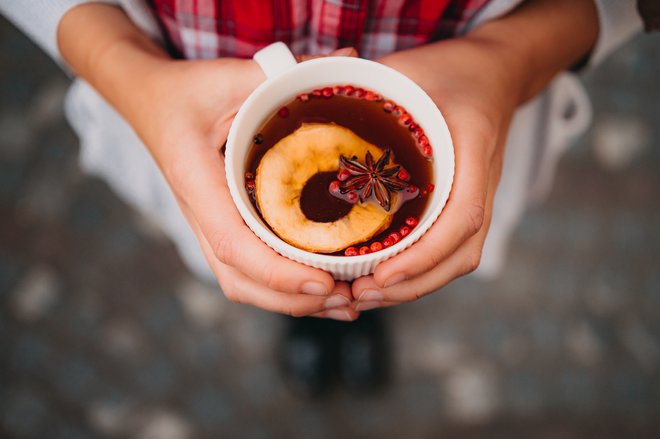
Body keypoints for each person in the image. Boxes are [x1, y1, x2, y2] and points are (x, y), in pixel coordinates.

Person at [0, 0, 647, 395]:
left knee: (387, 271)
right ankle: (305, 311)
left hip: (461, 106)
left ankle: (360, 309)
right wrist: (129, 73)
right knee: (278, 269)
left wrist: (510, 59)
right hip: (198, 110)